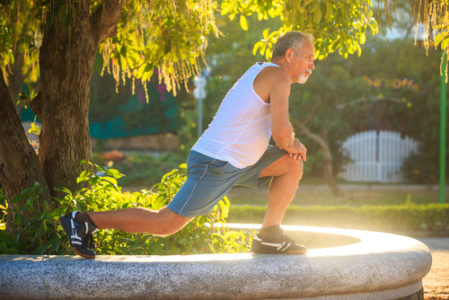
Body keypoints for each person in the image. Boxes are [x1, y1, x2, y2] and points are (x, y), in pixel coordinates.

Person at [60, 31, 316, 259]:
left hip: (239, 161)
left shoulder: (265, 71)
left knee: (290, 164)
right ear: (290, 54)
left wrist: (292, 144)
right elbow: (282, 135)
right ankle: (83, 221)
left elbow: (280, 136)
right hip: (216, 162)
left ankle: (269, 237)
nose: (312, 65)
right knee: (166, 223)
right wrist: (294, 143)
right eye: (308, 57)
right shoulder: (278, 75)